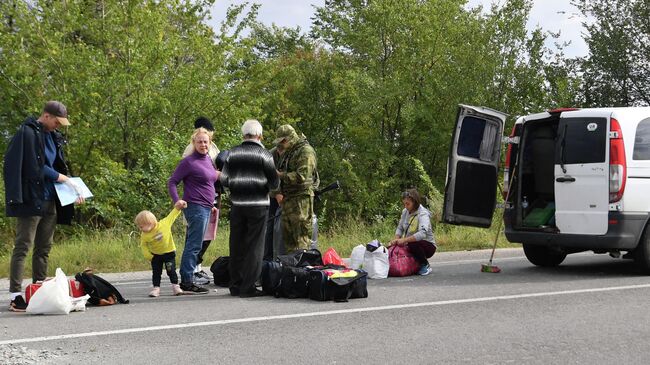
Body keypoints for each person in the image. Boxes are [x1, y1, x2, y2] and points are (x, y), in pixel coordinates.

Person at [4, 101, 85, 312]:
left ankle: (37, 288)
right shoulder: (27, 133)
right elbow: (34, 167)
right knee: (23, 246)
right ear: (47, 116)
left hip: (51, 198)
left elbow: (58, 167)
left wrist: (73, 191)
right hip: (31, 198)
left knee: (44, 247)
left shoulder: (53, 136)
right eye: (57, 121)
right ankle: (15, 294)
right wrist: (64, 179)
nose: (58, 126)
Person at [220, 119, 279, 298]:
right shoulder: (265, 155)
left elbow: (223, 179)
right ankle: (248, 286)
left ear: (243, 134)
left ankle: (235, 284)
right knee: (255, 246)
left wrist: (237, 185)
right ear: (259, 135)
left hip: (237, 205)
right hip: (258, 205)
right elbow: (275, 182)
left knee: (236, 244)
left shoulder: (233, 154)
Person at [168, 127, 219, 294]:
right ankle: (187, 281)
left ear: (210, 143)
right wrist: (177, 200)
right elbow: (172, 182)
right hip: (195, 207)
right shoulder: (188, 162)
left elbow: (208, 183)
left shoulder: (208, 160)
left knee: (194, 243)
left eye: (206, 142)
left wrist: (211, 203)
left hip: (205, 207)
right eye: (199, 142)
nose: (203, 144)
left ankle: (186, 279)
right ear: (194, 143)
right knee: (194, 245)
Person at [181, 117, 220, 285]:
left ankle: (195, 268)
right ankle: (190, 274)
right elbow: (187, 173)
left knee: (205, 236)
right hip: (197, 200)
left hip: (209, 199)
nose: (205, 142)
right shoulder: (191, 150)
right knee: (196, 238)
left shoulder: (209, 146)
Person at [273, 125, 319, 252]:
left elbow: (302, 177)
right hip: (289, 201)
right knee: (288, 242)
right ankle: (291, 270)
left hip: (301, 202)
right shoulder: (290, 152)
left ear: (290, 138)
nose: (282, 144)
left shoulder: (305, 151)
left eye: (283, 141)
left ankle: (302, 270)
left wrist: (280, 175)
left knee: (301, 241)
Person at [135, 207, 186, 297]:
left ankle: (175, 286)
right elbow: (144, 245)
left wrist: (178, 207)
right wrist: (148, 256)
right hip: (155, 256)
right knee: (156, 272)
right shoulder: (144, 235)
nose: (140, 228)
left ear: (149, 223)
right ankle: (156, 288)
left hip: (169, 253)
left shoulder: (164, 224)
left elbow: (172, 216)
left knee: (171, 270)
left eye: (141, 226)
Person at [388, 188, 437, 276]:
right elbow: (400, 228)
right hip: (410, 243)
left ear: (415, 203)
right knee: (392, 248)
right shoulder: (405, 212)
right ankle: (414, 265)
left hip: (427, 245)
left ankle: (425, 265)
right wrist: (396, 240)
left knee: (412, 244)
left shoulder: (423, 214)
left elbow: (422, 234)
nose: (405, 206)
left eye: (408, 204)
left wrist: (404, 240)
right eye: (404, 204)